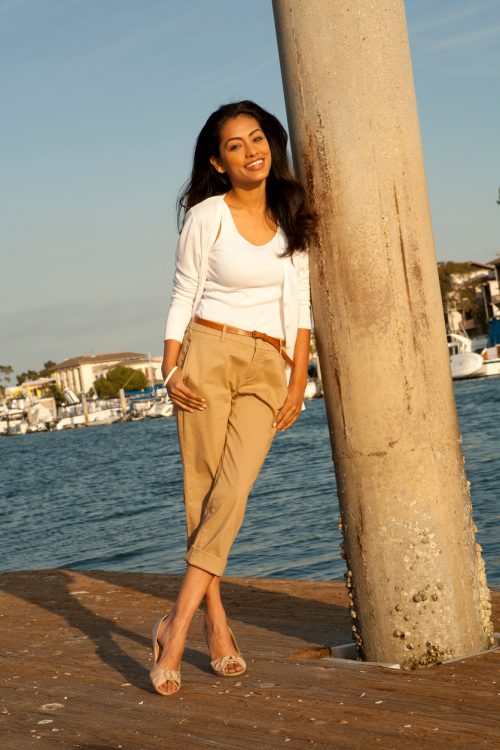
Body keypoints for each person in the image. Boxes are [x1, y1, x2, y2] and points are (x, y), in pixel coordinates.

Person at [150, 100, 316, 696]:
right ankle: (213, 626)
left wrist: (299, 380)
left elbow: (298, 306)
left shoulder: (290, 212)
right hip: (207, 357)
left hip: (269, 365)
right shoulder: (207, 216)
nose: (252, 151)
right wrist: (170, 371)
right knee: (206, 493)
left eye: (257, 138)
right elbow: (183, 292)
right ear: (219, 163)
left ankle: (175, 624)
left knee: (233, 489)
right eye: (236, 145)